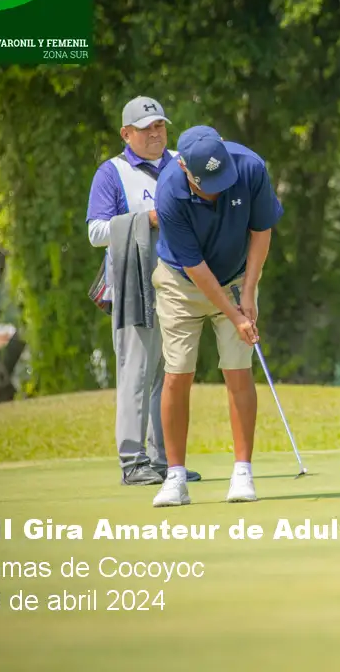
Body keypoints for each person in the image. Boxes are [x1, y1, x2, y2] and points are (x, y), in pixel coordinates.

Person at [149, 125, 283, 507]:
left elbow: (261, 230)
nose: (216, 191)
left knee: (238, 371)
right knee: (178, 373)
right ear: (184, 167)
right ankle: (175, 477)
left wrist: (250, 291)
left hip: (237, 277)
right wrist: (234, 315)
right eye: (206, 184)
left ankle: (242, 472)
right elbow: (195, 267)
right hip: (182, 283)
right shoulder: (169, 189)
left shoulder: (250, 167)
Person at [85, 96, 200, 486]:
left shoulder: (180, 162)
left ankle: (166, 460)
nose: (155, 134)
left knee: (171, 372)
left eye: (160, 126)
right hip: (134, 285)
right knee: (136, 373)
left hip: (179, 285)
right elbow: (96, 231)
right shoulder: (112, 172)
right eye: (146, 128)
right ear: (126, 133)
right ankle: (133, 461)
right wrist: (145, 220)